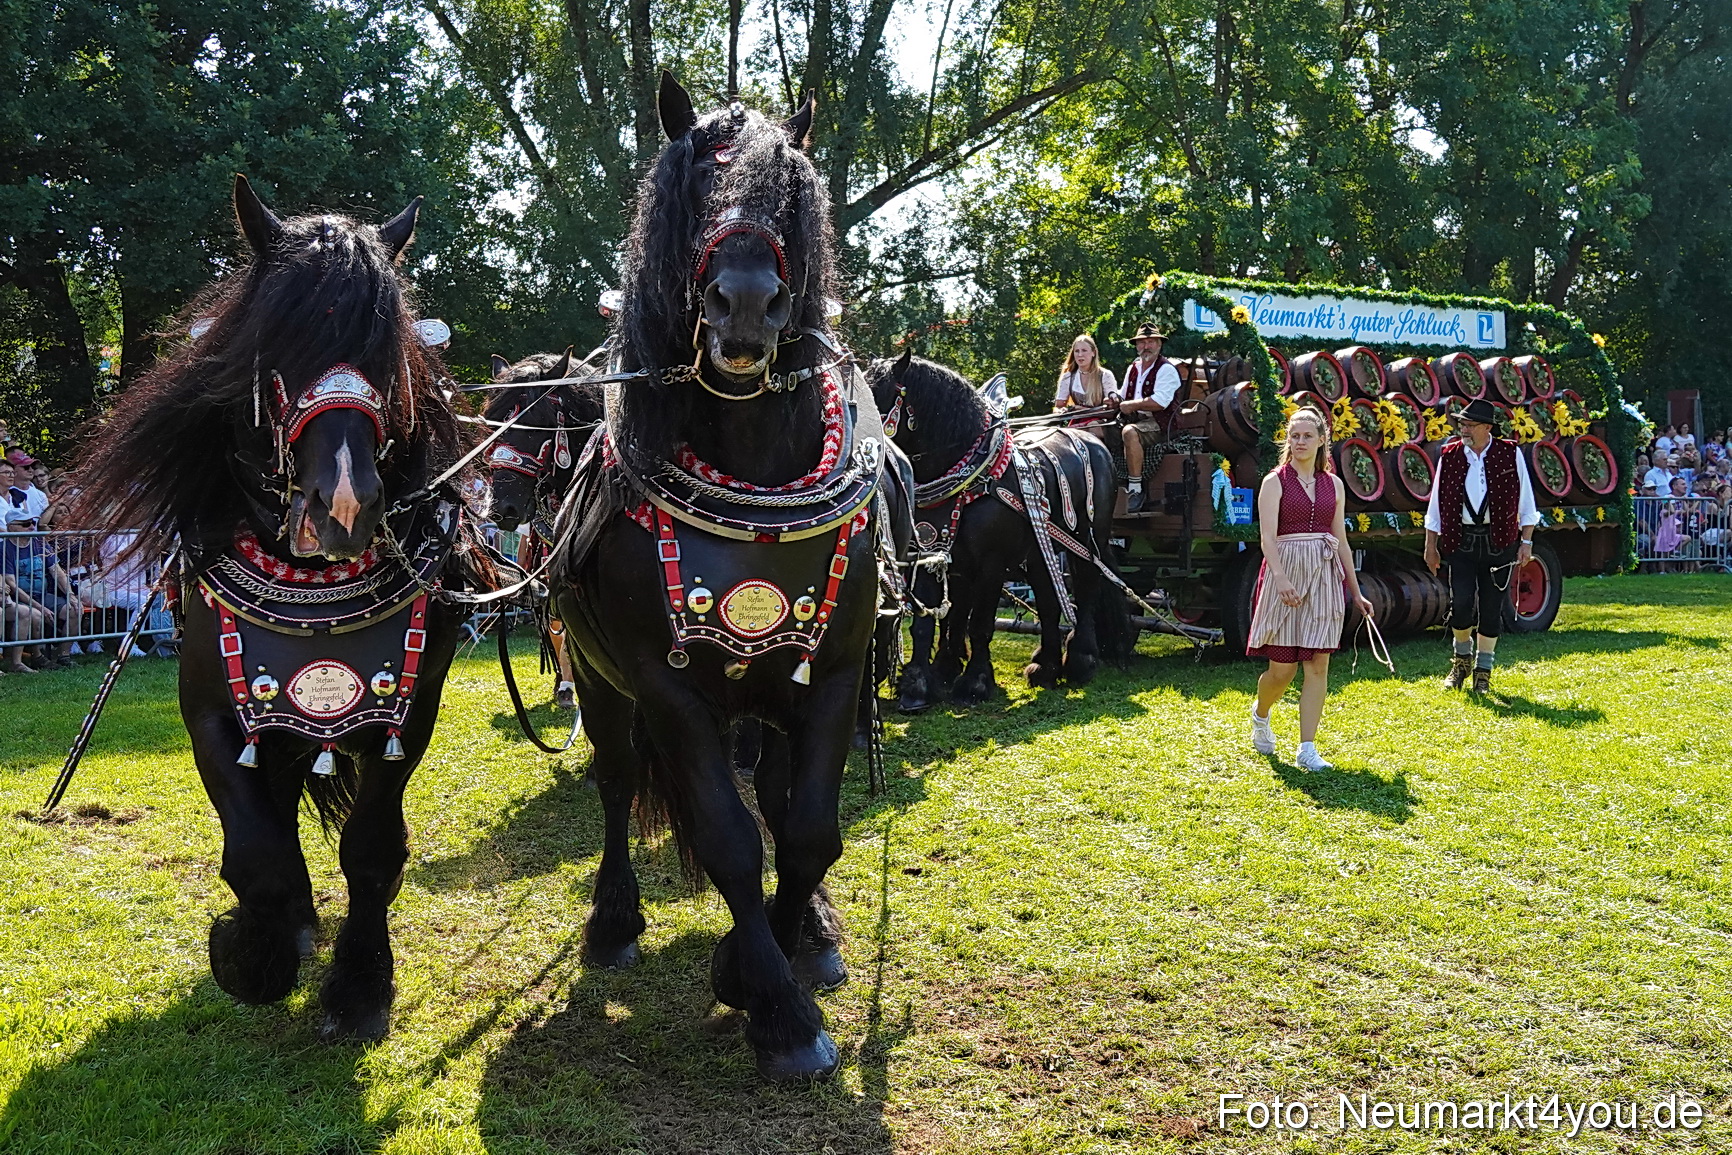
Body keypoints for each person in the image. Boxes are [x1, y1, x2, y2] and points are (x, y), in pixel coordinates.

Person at [1247, 407, 1374, 771]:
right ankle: (1261, 712)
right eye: (1294, 435)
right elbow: (1266, 538)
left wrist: (1356, 589)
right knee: (1282, 671)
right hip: (1284, 575)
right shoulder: (1275, 481)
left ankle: (1307, 747)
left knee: (1317, 665)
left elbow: (1342, 540)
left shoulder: (1333, 484)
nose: (1299, 442)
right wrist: (1282, 579)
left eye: (1307, 436)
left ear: (1322, 440)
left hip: (1323, 575)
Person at [1423, 398, 1542, 694]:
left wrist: (1526, 540)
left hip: (1499, 541)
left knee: (1491, 607)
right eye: (1461, 423)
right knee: (1461, 602)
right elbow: (1436, 503)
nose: (1463, 429)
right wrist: (1430, 545)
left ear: (1487, 427)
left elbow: (1526, 499)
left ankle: (1483, 670)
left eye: (1469, 424)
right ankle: (1461, 659)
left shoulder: (1509, 453)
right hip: (1460, 539)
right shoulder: (1449, 455)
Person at [1118, 322, 1183, 513]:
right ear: (1137, 346)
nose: (1146, 346)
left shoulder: (1166, 369)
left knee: (1130, 433)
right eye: (1142, 342)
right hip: (1135, 419)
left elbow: (1160, 403)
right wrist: (1113, 399)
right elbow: (1123, 395)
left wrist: (1132, 405)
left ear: (1159, 344)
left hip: (1161, 424)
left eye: (1151, 341)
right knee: (1098, 430)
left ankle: (1135, 490)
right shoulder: (1133, 368)